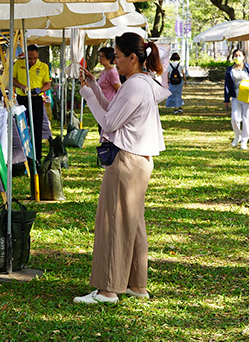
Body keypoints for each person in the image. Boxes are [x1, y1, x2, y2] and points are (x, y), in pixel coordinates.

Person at [73, 32, 167, 304]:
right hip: (137, 159)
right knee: (133, 223)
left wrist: (89, 96)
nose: (114, 61)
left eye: (117, 56)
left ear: (133, 58)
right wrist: (93, 89)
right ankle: (136, 285)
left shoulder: (135, 86)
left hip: (126, 159)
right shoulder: (142, 83)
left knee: (113, 221)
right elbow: (114, 112)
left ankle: (108, 290)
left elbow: (109, 123)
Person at [14, 44, 51, 157]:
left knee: (37, 128)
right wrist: (21, 86)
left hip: (36, 100)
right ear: (26, 55)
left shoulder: (43, 66)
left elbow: (48, 84)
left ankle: (37, 156)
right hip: (21, 99)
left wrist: (40, 90)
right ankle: (22, 155)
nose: (33, 61)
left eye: (35, 58)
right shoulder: (18, 63)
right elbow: (12, 79)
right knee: (21, 127)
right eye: (30, 58)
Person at [223, 49, 249, 149]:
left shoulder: (248, 68)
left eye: (239, 55)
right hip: (235, 96)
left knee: (247, 118)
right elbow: (227, 85)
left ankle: (244, 140)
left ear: (244, 57)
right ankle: (237, 135)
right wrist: (226, 99)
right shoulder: (230, 70)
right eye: (235, 55)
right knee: (234, 119)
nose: (237, 57)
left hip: (247, 95)